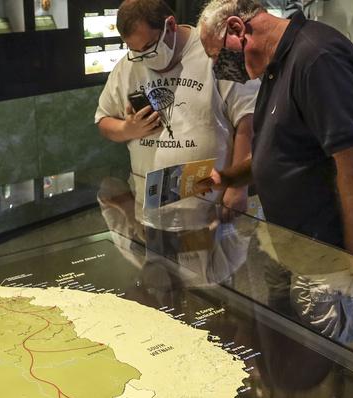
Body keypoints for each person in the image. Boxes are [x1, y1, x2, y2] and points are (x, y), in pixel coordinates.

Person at [198, 0, 353, 265]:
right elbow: (280, 152)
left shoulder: (317, 58)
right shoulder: (276, 66)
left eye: (218, 57)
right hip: (293, 243)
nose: (220, 69)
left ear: (236, 29)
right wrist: (228, 178)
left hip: (328, 256)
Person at [95, 0, 260, 230]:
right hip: (151, 209)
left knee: (217, 263)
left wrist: (237, 187)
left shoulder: (214, 49)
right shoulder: (127, 66)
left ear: (170, 25)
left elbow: (247, 119)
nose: (145, 57)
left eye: (151, 46)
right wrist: (127, 129)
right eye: (136, 52)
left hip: (211, 208)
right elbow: (103, 120)